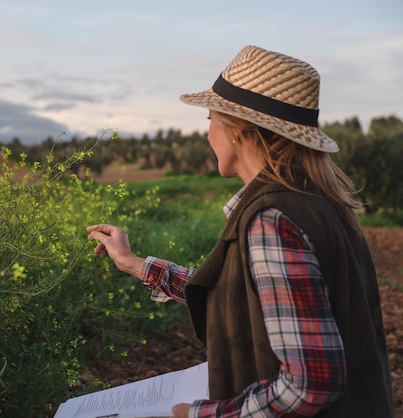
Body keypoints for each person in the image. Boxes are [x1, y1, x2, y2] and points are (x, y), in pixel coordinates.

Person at [86, 45, 394, 417]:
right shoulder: (317, 203)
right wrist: (134, 263)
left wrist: (198, 414)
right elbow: (234, 297)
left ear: (238, 129)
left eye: (210, 120)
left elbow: (309, 387)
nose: (208, 135)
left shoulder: (273, 221)